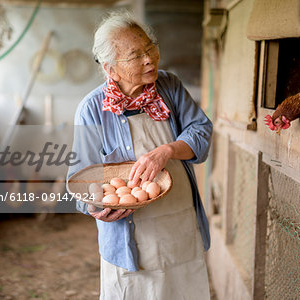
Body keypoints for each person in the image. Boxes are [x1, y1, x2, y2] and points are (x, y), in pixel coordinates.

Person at [69, 11, 213, 300]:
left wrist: (167, 150)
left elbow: (201, 130)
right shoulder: (92, 109)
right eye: (136, 55)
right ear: (111, 69)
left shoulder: (169, 87)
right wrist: (98, 208)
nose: (150, 58)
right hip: (130, 237)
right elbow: (80, 180)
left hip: (179, 225)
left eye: (150, 48)